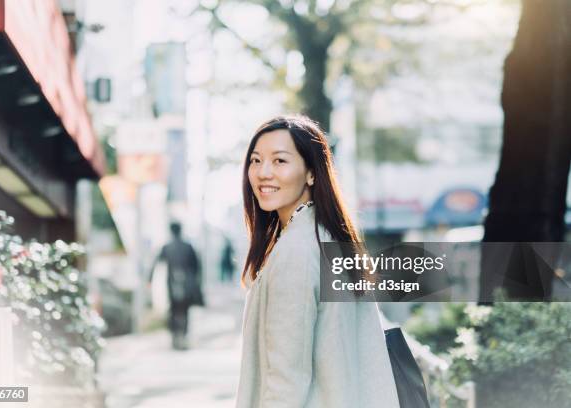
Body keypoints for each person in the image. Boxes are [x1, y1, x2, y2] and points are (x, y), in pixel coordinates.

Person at [235, 115, 400, 407]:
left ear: (311, 172)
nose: (263, 173)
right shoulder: (330, 239)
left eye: (280, 161)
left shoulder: (296, 251)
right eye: (256, 160)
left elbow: (286, 379)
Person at [151, 222, 202, 350]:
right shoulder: (188, 247)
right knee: (185, 310)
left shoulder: (166, 247)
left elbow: (156, 263)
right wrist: (195, 281)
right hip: (187, 284)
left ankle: (174, 336)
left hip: (172, 282)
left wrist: (149, 279)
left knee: (173, 310)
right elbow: (197, 266)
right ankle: (183, 336)